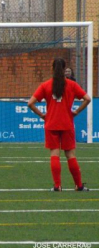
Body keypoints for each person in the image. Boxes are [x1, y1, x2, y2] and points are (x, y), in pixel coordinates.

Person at [28, 58, 91, 192]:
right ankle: (78, 185)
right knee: (70, 155)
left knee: (54, 154)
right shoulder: (71, 85)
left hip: (51, 124)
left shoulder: (45, 85)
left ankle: (57, 186)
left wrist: (42, 115)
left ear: (52, 69)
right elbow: (87, 99)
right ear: (64, 69)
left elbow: (30, 103)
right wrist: (76, 111)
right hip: (67, 123)